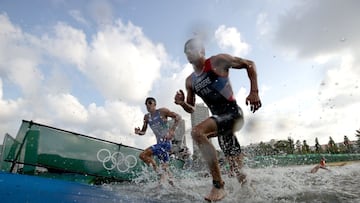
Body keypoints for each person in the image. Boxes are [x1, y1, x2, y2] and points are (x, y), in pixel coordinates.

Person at [174, 38, 262, 201]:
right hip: (221, 125)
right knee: (238, 171)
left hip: (233, 114)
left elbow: (249, 64)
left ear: (202, 50)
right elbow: (191, 108)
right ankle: (252, 193)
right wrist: (181, 103)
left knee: (197, 132)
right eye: (186, 50)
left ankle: (218, 185)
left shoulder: (217, 61)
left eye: (192, 48)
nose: (188, 52)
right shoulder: (190, 81)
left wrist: (254, 91)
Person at [135, 97, 181, 184]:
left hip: (166, 143)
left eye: (150, 103)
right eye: (146, 104)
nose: (148, 105)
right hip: (159, 144)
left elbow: (178, 117)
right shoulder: (146, 117)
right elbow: (143, 132)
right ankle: (175, 187)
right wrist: (139, 132)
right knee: (165, 168)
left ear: (155, 104)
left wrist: (172, 130)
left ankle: (159, 173)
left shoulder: (162, 111)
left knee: (143, 155)